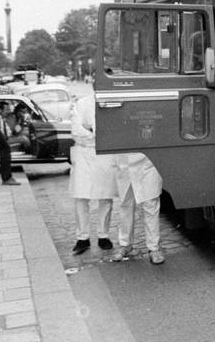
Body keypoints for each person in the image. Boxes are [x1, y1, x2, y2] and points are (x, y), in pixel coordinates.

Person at [68, 95, 118, 255]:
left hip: (104, 154)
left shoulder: (113, 103)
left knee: (105, 197)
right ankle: (82, 238)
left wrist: (90, 131)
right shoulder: (82, 103)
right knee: (81, 198)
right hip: (83, 154)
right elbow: (76, 131)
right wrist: (97, 136)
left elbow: (114, 131)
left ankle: (103, 235)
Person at [111, 153, 165, 264]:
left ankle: (154, 248)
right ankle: (125, 245)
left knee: (151, 205)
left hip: (148, 161)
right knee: (125, 205)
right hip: (124, 163)